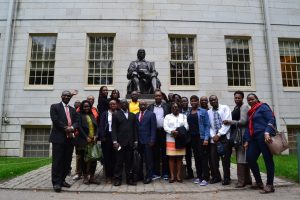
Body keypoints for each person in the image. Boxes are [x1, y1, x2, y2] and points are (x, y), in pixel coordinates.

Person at [244, 93, 276, 194]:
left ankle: (270, 185)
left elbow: (271, 119)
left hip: (264, 137)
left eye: (252, 99)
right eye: (248, 100)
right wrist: (247, 140)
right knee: (250, 157)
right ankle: (259, 182)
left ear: (257, 99)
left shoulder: (263, 107)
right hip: (254, 138)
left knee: (268, 160)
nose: (250, 101)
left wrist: (267, 132)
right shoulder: (251, 112)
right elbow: (249, 126)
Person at [49, 90, 78, 192]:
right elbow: (55, 120)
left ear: (70, 98)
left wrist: (72, 127)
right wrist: (66, 128)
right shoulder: (54, 107)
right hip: (58, 138)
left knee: (67, 161)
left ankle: (62, 180)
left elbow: (76, 121)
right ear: (61, 96)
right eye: (65, 95)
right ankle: (56, 183)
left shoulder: (73, 110)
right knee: (57, 161)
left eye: (68, 96)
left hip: (69, 139)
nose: (66, 97)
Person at [223, 91, 252, 188]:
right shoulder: (236, 107)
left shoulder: (244, 107)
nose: (237, 99)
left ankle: (241, 181)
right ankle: (247, 180)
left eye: (239, 98)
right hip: (237, 134)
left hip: (242, 135)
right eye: (235, 98)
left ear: (242, 98)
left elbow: (243, 121)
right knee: (242, 157)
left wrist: (230, 122)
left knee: (241, 157)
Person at [112, 99, 138, 186]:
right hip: (120, 143)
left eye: (126, 103)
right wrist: (115, 141)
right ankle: (117, 179)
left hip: (130, 143)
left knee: (129, 162)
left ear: (128, 105)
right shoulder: (115, 114)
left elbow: (135, 129)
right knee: (119, 162)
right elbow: (114, 129)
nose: (124, 104)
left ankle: (129, 179)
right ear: (120, 105)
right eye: (122, 103)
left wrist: (135, 140)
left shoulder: (132, 115)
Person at [208, 95, 232, 185]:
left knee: (225, 160)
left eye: (214, 99)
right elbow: (209, 126)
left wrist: (219, 134)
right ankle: (216, 177)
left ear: (217, 99)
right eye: (211, 100)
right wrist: (213, 136)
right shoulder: (208, 112)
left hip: (224, 137)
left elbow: (227, 122)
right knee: (214, 159)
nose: (213, 101)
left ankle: (227, 178)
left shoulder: (225, 108)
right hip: (214, 139)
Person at [188, 95, 210, 186]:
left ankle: (205, 177)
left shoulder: (203, 111)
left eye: (195, 101)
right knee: (196, 157)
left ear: (198, 102)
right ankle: (199, 176)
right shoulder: (189, 112)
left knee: (203, 158)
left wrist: (206, 138)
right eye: (191, 101)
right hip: (193, 138)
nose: (193, 102)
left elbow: (207, 125)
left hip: (201, 137)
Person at [148, 90, 170, 181]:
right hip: (154, 133)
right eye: (156, 96)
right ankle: (156, 173)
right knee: (155, 153)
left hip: (164, 132)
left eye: (159, 96)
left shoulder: (166, 106)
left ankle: (165, 173)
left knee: (165, 153)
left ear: (162, 97)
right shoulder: (150, 107)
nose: (158, 97)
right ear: (154, 97)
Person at [164, 102, 189, 183]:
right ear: (171, 109)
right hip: (170, 139)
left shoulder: (183, 116)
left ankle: (178, 175)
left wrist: (178, 132)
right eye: (173, 107)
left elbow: (186, 126)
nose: (175, 108)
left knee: (179, 158)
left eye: (177, 107)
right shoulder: (168, 116)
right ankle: (172, 176)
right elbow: (165, 126)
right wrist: (172, 131)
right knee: (171, 158)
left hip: (181, 139)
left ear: (179, 108)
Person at [77, 100, 100, 185]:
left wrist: (96, 135)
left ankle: (92, 177)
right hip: (84, 141)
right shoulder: (79, 115)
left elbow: (97, 127)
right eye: (85, 106)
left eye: (88, 106)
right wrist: (86, 137)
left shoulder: (92, 115)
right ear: (82, 107)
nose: (86, 108)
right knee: (84, 160)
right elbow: (79, 128)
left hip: (93, 140)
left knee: (93, 159)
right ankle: (85, 177)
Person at [136, 100, 157, 184]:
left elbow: (153, 128)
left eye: (144, 104)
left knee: (148, 160)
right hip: (139, 141)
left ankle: (149, 177)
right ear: (139, 106)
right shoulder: (136, 115)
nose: (142, 106)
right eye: (141, 105)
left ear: (147, 105)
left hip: (148, 141)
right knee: (139, 160)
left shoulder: (151, 114)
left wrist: (152, 140)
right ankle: (140, 176)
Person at [98, 99, 118, 184]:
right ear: (109, 105)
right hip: (107, 137)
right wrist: (102, 136)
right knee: (107, 158)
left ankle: (114, 175)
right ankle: (108, 176)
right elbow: (101, 125)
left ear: (116, 105)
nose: (113, 105)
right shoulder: (104, 114)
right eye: (111, 104)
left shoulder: (119, 113)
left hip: (116, 138)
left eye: (114, 104)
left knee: (115, 158)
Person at [181, 96, 193, 179]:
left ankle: (190, 172)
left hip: (190, 135)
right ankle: (181, 172)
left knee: (189, 156)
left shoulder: (192, 110)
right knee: (181, 155)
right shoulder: (178, 111)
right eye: (182, 101)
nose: (184, 102)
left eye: (185, 101)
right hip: (181, 136)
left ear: (188, 102)